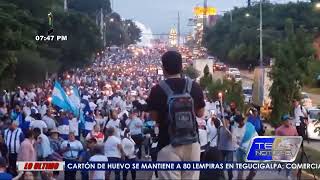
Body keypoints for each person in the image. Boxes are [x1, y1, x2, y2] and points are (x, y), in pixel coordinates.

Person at [146, 51, 205, 179]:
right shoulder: (194, 86)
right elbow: (201, 113)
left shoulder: (157, 89)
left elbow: (154, 117)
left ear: (163, 68)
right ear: (181, 67)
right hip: (192, 143)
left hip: (168, 143)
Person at [234, 114, 258, 180]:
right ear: (237, 122)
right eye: (239, 121)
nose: (241, 122)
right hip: (241, 153)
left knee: (254, 169)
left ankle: (249, 178)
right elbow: (234, 142)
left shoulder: (249, 126)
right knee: (240, 170)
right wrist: (238, 145)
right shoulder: (235, 130)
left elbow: (255, 135)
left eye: (242, 120)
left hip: (250, 151)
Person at [275, 115, 299, 180]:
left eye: (289, 120)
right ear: (284, 121)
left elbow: (297, 137)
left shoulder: (293, 128)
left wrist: (297, 145)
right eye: (287, 120)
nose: (288, 121)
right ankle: (279, 170)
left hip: (291, 149)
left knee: (290, 161)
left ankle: (287, 175)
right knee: (282, 161)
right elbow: (277, 139)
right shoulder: (279, 129)